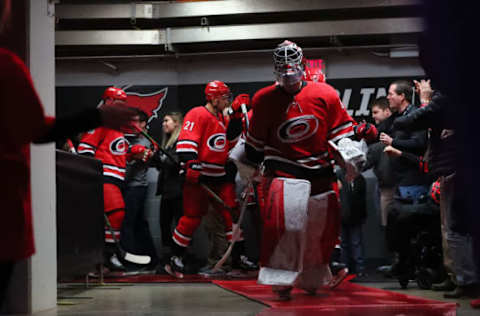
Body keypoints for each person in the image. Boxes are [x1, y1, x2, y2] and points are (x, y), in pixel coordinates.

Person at [0, 0, 136, 303]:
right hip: (5, 209)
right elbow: (39, 130)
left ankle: (111, 255)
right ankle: (110, 254)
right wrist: (95, 118)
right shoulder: (6, 65)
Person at [245, 40, 365, 299]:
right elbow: (253, 147)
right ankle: (282, 279)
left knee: (320, 231)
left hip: (321, 172)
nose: (289, 78)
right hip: (284, 172)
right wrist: (250, 169)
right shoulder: (264, 99)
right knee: (286, 228)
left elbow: (340, 132)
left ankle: (312, 277)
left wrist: (352, 151)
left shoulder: (326, 94)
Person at [164, 80, 243, 277]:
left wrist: (236, 119)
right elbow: (188, 141)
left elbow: (229, 143)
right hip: (200, 177)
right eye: (224, 98)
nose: (227, 101)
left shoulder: (221, 119)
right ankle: (175, 258)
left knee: (230, 216)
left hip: (219, 176)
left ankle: (236, 260)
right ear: (214, 99)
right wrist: (191, 163)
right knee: (191, 218)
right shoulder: (198, 113)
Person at [78, 87, 140, 271]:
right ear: (108, 102)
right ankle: (109, 255)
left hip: (115, 178)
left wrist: (131, 154)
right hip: (104, 177)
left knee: (113, 216)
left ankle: (105, 257)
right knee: (116, 212)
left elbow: (113, 152)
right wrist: (91, 174)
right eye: (119, 104)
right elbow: (86, 149)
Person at [121, 110, 158, 270]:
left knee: (128, 224)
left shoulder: (144, 142)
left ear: (143, 123)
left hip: (135, 187)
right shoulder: (136, 140)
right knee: (138, 224)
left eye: (136, 121)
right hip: (134, 187)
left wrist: (129, 158)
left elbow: (138, 162)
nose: (132, 125)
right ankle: (150, 259)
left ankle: (131, 262)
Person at [152, 112, 184, 264]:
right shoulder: (167, 143)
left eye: (167, 121)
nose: (163, 123)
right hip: (166, 191)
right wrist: (152, 156)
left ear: (176, 123)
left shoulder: (180, 142)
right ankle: (168, 257)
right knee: (164, 225)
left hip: (178, 191)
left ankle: (180, 257)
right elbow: (160, 165)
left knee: (179, 225)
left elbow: (175, 163)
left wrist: (161, 157)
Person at [336, 168, 367, 280]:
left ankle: (351, 268)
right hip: (348, 214)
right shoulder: (358, 177)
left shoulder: (340, 175)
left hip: (348, 214)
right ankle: (356, 269)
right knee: (354, 242)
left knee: (350, 242)